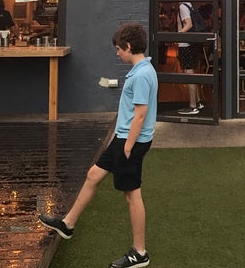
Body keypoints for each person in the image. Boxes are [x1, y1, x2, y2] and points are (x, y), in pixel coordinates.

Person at [39, 22, 158, 268]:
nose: (117, 53)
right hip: (123, 139)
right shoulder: (142, 70)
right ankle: (68, 224)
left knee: (132, 194)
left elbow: (140, 114)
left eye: (118, 49)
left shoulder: (142, 74)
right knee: (93, 175)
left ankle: (140, 252)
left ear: (128, 46)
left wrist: (127, 147)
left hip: (130, 141)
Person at [176, 0, 203, 115]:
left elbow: (189, 24)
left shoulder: (182, 7)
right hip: (191, 44)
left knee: (189, 74)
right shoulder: (190, 5)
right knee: (191, 73)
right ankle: (198, 102)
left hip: (185, 44)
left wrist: (177, 35)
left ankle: (193, 106)